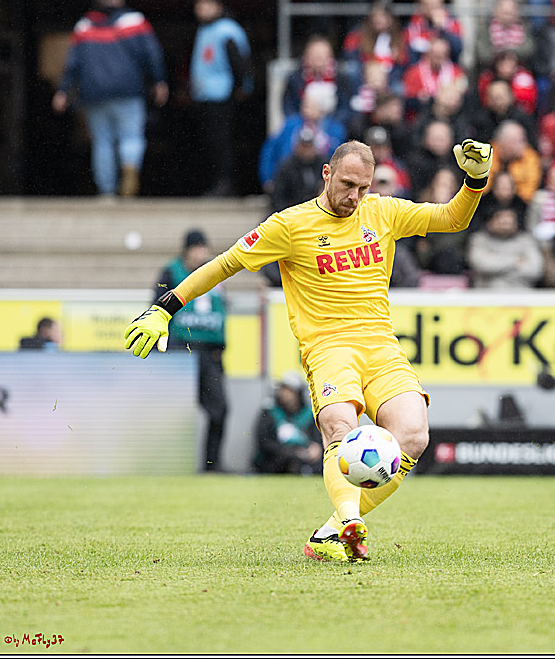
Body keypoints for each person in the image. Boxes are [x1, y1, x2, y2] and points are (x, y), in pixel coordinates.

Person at [123, 138, 494, 561]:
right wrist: (165, 307)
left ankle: (332, 532)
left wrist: (476, 178)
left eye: (364, 188)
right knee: (339, 427)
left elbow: (452, 218)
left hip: (381, 347)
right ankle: (352, 521)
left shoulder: (384, 212)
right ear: (326, 174)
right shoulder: (290, 225)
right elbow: (225, 263)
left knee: (414, 435)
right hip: (329, 349)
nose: (355, 196)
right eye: (348, 184)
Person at [52, 0, 168, 197]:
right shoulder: (135, 22)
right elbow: (152, 55)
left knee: (102, 142)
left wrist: (63, 91)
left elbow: (72, 64)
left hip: (94, 94)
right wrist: (159, 81)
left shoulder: (84, 26)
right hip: (128, 92)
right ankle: (129, 167)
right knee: (131, 137)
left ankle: (107, 191)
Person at [154, 230, 229, 472]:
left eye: (204, 248)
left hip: (210, 353)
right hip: (181, 352)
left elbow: (221, 310)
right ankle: (170, 465)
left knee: (220, 409)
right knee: (176, 413)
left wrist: (220, 347)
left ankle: (212, 464)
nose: (202, 253)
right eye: (198, 248)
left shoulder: (214, 273)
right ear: (187, 250)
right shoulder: (170, 272)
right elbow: (157, 307)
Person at [189, 0, 252, 197]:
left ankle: (226, 185)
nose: (201, 9)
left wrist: (241, 89)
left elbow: (240, 64)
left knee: (222, 143)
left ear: (218, 6)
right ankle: (214, 184)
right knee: (209, 144)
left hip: (222, 97)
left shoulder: (227, 31)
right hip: (205, 97)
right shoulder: (205, 29)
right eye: (199, 5)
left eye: (206, 4)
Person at [253, 373, 324, 475]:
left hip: (304, 454)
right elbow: (264, 441)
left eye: (290, 390)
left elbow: (317, 438)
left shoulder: (308, 413)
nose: (285, 394)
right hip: (277, 457)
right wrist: (292, 452)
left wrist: (316, 448)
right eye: (283, 389)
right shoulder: (270, 411)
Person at [466, 205, 544, 289]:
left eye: (510, 221)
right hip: (487, 294)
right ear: (489, 222)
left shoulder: (526, 240)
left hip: (522, 294)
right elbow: (482, 265)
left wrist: (495, 262)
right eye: (501, 221)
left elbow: (535, 270)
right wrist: (516, 261)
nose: (506, 224)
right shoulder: (479, 240)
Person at [269, 127, 325, 216]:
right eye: (303, 146)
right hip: (292, 213)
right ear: (297, 146)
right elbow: (278, 197)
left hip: (317, 213)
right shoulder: (286, 167)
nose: (306, 150)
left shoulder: (323, 165)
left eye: (309, 146)